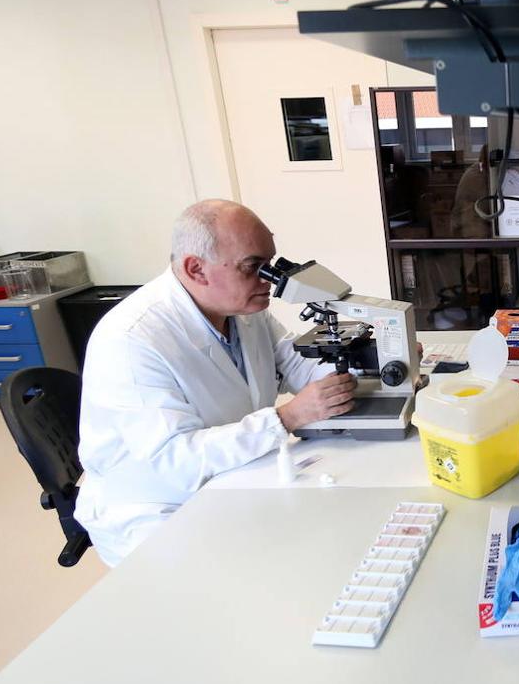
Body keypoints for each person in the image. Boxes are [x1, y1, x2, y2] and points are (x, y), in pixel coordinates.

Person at [74, 200, 357, 565]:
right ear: (197, 269)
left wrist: (373, 360)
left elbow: (299, 365)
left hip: (234, 476)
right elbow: (175, 460)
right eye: (253, 267)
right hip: (157, 507)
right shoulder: (131, 339)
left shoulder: (243, 313)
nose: (269, 280)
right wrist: (285, 418)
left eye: (269, 265)